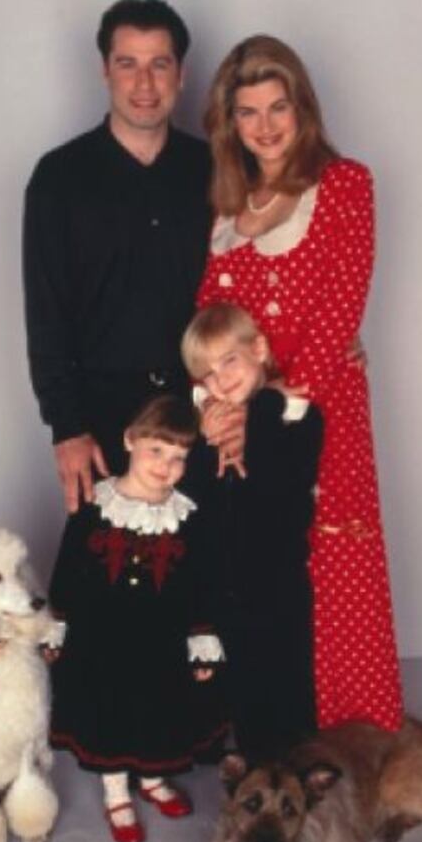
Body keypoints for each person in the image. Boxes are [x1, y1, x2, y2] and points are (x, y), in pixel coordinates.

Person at [197, 35, 404, 733]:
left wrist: (272, 409)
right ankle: (277, 728)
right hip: (244, 413)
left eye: (277, 107)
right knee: (264, 567)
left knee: (332, 556)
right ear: (229, 122)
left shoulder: (344, 184)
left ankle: (351, 733)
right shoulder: (228, 205)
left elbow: (341, 308)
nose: (265, 127)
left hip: (321, 408)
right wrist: (217, 407)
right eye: (247, 112)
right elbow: (209, 321)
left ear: (302, 108)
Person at [22, 0, 211, 511]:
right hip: (101, 424)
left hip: (204, 411)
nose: (144, 83)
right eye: (128, 63)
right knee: (106, 561)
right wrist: (67, 427)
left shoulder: (215, 169)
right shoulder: (59, 178)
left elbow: (258, 281)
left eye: (159, 64)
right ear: (105, 70)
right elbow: (46, 312)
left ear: (181, 74)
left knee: (212, 560)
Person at [47, 395, 227, 842]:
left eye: (179, 457)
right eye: (156, 450)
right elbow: (67, 571)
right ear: (130, 440)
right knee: (109, 711)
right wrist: (57, 626)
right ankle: (116, 794)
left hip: (161, 643)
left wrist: (201, 639)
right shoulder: (95, 505)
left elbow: (201, 583)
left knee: (158, 710)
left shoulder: (186, 516)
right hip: (101, 640)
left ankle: (152, 779)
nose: (166, 466)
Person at [182, 303, 323, 758]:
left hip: (277, 581)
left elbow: (274, 486)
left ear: (259, 349)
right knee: (238, 685)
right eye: (207, 374)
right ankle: (247, 764)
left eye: (229, 361)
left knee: (286, 683)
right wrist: (206, 442)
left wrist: (262, 405)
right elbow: (191, 500)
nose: (221, 380)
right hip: (223, 584)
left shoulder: (295, 416)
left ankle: (296, 770)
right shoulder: (210, 426)